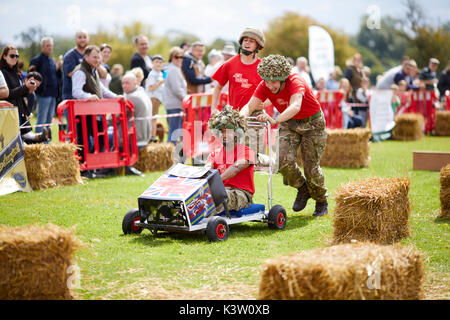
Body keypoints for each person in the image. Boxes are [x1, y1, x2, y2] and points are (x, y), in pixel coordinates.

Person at [240, 54, 328, 217]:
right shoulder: (265, 85)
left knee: (311, 167)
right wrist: (240, 118)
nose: (270, 85)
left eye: (274, 81)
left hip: (312, 124)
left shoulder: (296, 81)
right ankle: (303, 189)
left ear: (283, 78)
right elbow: (250, 105)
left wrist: (275, 119)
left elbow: (295, 106)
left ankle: (321, 200)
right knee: (281, 162)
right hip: (289, 123)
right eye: (267, 81)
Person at [206, 105, 255, 214]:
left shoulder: (247, 151)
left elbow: (235, 169)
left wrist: (215, 181)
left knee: (214, 196)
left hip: (241, 193)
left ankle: (200, 224)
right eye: (221, 131)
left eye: (228, 131)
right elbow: (207, 168)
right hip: (220, 189)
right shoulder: (215, 153)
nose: (224, 135)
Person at [0, 46, 49, 143]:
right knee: (15, 139)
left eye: (17, 56)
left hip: (19, 108)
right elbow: (7, 94)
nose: (15, 58)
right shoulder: (2, 72)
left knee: (24, 134)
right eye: (12, 55)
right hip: (9, 110)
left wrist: (28, 88)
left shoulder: (16, 72)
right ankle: (39, 138)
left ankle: (41, 138)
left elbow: (19, 93)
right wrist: (25, 87)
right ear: (4, 56)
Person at [211, 27, 265, 113]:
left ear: (257, 46)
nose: (247, 43)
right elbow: (217, 88)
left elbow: (274, 91)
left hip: (255, 115)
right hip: (235, 115)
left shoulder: (263, 67)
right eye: (245, 40)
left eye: (251, 41)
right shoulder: (229, 64)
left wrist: (266, 103)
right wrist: (213, 108)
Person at [28, 37, 58, 136]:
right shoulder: (36, 60)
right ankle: (38, 142)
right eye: (47, 45)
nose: (50, 48)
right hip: (43, 94)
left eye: (51, 46)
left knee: (49, 120)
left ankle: (46, 143)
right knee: (41, 119)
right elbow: (31, 77)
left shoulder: (52, 61)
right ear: (42, 47)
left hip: (53, 94)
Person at [163, 47, 187, 144]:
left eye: (182, 57)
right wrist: (186, 99)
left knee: (174, 130)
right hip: (175, 104)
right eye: (177, 57)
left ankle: (174, 154)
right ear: (172, 58)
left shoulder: (172, 69)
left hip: (173, 104)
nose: (180, 59)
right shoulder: (173, 70)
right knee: (174, 132)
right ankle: (171, 155)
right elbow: (177, 89)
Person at [122, 72, 152, 148]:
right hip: (145, 136)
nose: (124, 86)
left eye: (127, 83)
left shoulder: (131, 97)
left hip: (135, 139)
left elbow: (115, 117)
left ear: (135, 84)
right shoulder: (143, 94)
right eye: (123, 83)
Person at [62, 29, 89, 101]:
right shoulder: (70, 55)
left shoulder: (89, 55)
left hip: (85, 97)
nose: (82, 39)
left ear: (88, 38)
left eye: (84, 37)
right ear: (75, 39)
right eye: (80, 37)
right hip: (71, 97)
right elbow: (70, 73)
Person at [145, 54, 165, 143]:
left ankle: (152, 136)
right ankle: (152, 137)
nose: (158, 64)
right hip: (153, 98)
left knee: (154, 118)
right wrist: (160, 83)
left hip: (158, 99)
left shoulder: (160, 74)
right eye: (156, 62)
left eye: (160, 62)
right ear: (152, 63)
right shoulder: (152, 74)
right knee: (153, 118)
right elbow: (150, 88)